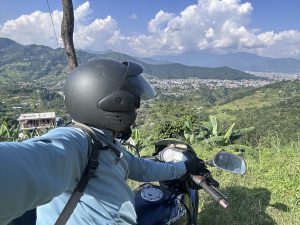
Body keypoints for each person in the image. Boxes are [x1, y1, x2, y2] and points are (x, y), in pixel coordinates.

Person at [0, 59, 207, 225]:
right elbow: (23, 164)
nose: (135, 110)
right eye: (133, 103)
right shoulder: (75, 143)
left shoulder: (105, 145)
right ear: (116, 104)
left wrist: (184, 167)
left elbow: (143, 169)